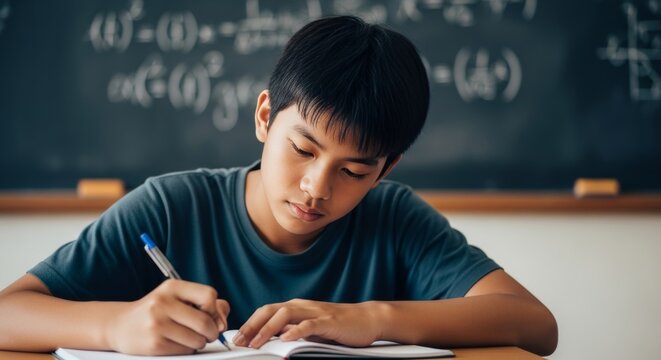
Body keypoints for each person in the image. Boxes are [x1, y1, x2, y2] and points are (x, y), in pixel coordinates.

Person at [0, 15, 557, 356]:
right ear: (265, 117)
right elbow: (10, 312)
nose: (317, 187)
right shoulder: (172, 207)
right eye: (303, 149)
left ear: (386, 169)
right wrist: (116, 325)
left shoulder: (395, 219)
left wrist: (371, 319)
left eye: (354, 171)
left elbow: (536, 325)